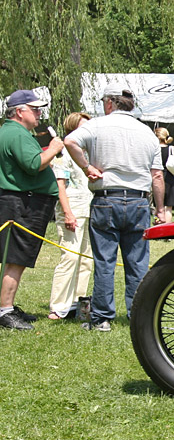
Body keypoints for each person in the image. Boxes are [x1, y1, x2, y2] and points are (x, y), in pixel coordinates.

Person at [64, 89, 165, 332]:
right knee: (138, 262)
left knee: (105, 260)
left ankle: (102, 318)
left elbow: (69, 141)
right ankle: (138, 315)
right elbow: (158, 175)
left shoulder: (97, 125)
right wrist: (161, 209)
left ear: (110, 103)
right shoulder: (147, 133)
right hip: (139, 200)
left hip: (106, 198)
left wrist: (87, 167)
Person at [0, 89, 64, 330]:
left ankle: (6, 306)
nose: (39, 114)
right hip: (24, 203)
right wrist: (53, 148)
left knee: (16, 258)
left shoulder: (13, 132)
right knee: (15, 258)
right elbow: (34, 164)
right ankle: (5, 311)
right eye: (35, 109)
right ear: (19, 111)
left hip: (22, 201)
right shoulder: (16, 133)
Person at [49, 112, 94, 320]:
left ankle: (78, 302)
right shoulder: (63, 155)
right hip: (72, 210)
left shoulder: (88, 153)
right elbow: (60, 186)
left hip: (90, 209)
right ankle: (58, 306)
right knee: (70, 257)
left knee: (86, 259)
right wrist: (67, 213)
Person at [154, 127, 174, 224]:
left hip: (157, 177)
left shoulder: (154, 148)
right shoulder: (172, 149)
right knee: (169, 208)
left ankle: (158, 227)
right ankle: (167, 230)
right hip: (170, 179)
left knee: (158, 206)